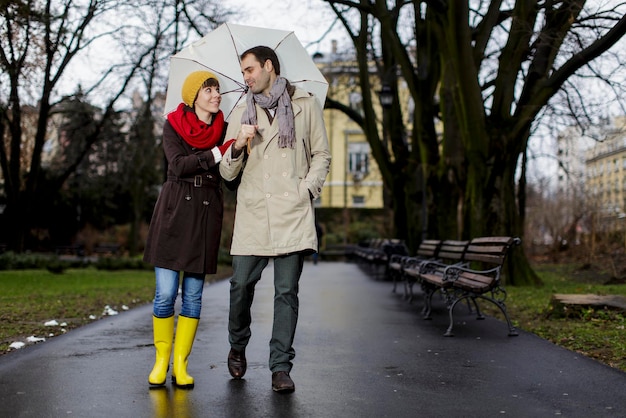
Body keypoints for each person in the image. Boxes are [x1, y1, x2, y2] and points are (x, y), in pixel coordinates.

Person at [219, 46, 331, 393]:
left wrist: (306, 189)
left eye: (250, 69)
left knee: (286, 293)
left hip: (292, 211)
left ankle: (280, 366)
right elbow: (226, 171)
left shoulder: (305, 104)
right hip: (253, 210)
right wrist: (238, 144)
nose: (247, 77)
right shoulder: (240, 110)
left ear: (269, 66)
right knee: (240, 288)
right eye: (243, 73)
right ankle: (238, 344)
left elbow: (321, 153)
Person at [143, 71, 235, 389]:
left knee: (193, 296)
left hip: (207, 210)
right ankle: (161, 361)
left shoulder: (226, 126)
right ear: (194, 95)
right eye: (209, 90)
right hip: (174, 209)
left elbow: (229, 174)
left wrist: (237, 148)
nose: (216, 95)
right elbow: (178, 165)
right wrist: (217, 152)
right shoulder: (173, 124)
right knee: (166, 293)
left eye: (218, 90)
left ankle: (180, 365)